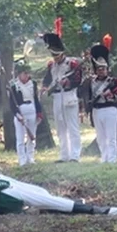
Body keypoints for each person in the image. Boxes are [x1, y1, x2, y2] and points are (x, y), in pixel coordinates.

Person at [41, 32, 83, 162]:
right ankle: (64, 154)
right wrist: (44, 86)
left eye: (57, 55)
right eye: (53, 55)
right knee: (60, 127)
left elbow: (78, 80)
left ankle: (75, 155)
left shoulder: (72, 64)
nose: (55, 58)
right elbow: (48, 78)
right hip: (57, 96)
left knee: (72, 126)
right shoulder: (51, 65)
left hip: (69, 95)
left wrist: (68, 83)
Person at [87, 44, 117, 164]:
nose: (101, 71)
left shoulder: (113, 82)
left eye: (103, 69)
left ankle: (112, 159)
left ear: (107, 69)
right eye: (99, 69)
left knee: (111, 137)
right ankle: (104, 157)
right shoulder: (91, 82)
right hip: (97, 109)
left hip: (109, 109)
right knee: (101, 137)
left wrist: (110, 94)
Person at [9, 62, 42, 166]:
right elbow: (12, 103)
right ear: (19, 74)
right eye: (24, 73)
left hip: (31, 110)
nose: (26, 75)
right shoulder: (14, 86)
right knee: (20, 137)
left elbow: (36, 99)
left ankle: (30, 157)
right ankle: (22, 159)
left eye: (27, 73)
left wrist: (39, 113)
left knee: (32, 136)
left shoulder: (33, 84)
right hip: (21, 112)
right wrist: (17, 115)